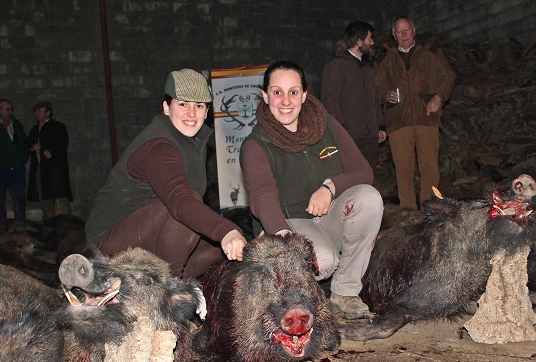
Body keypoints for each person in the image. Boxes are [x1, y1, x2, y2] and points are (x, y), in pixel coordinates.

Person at [240, 60, 383, 320]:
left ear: (304, 95)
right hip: (285, 223)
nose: (286, 101)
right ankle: (292, 294)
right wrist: (287, 241)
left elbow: (364, 172)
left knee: (369, 198)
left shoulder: (326, 124)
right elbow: (262, 195)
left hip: (327, 217)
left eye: (293, 92)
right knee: (323, 262)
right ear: (265, 96)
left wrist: (330, 187)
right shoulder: (256, 144)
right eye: (277, 92)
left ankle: (345, 292)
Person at [85, 69, 247, 279]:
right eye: (183, 104)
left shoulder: (190, 142)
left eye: (199, 106)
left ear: (206, 112)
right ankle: (170, 287)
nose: (191, 114)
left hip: (149, 233)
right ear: (166, 107)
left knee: (217, 250)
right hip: (107, 246)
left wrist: (225, 236)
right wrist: (226, 231)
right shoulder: (159, 147)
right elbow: (180, 201)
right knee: (188, 209)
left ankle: (167, 281)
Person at [374, 16, 455, 210]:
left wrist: (439, 97)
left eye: (407, 30)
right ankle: (408, 211)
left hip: (426, 117)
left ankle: (430, 208)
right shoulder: (385, 60)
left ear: (414, 31)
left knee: (430, 167)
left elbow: (448, 76)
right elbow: (376, 89)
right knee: (403, 168)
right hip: (398, 120)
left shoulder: (430, 54)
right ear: (394, 35)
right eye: (399, 31)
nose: (404, 35)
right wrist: (386, 96)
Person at [321, 21, 387, 171]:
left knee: (367, 177)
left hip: (370, 136)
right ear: (359, 41)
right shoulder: (336, 66)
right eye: (369, 38)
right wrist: (340, 129)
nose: (372, 42)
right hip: (350, 135)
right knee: (350, 177)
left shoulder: (367, 68)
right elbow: (329, 99)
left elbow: (373, 98)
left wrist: (380, 125)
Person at [26, 101, 74, 217]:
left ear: (48, 113)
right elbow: (27, 145)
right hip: (39, 168)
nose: (37, 114)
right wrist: (32, 147)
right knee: (44, 200)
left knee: (60, 199)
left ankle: (64, 223)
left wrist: (43, 149)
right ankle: (49, 222)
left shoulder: (58, 127)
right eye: (36, 111)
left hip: (55, 170)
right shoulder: (34, 130)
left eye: (39, 111)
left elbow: (60, 146)